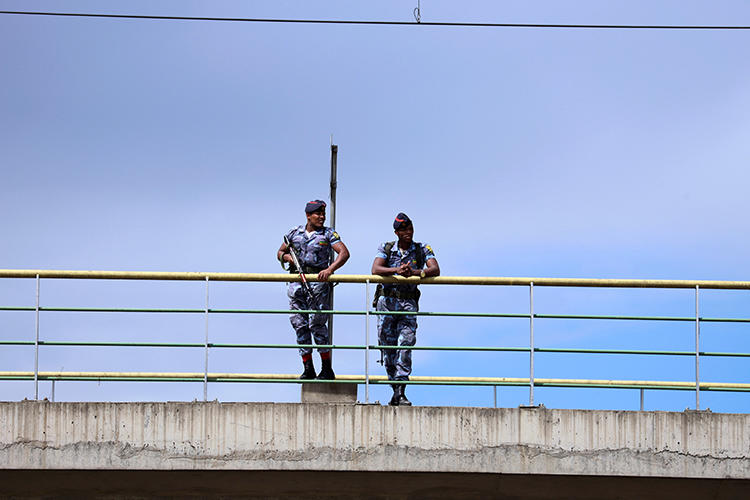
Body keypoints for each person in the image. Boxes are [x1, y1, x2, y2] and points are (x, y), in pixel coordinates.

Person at [371, 212, 439, 406]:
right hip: (387, 302)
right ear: (396, 232)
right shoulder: (387, 248)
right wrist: (397, 270)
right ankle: (395, 391)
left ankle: (401, 389)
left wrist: (416, 272)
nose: (407, 233)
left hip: (408, 302)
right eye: (403, 230)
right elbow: (375, 269)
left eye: (409, 229)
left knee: (406, 344)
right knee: (388, 348)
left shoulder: (421, 249)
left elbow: (435, 268)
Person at [277, 200, 350, 380]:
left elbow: (344, 253)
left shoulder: (327, 233)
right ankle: (307, 367)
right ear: (308, 215)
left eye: (323, 214)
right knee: (299, 324)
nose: (322, 217)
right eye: (318, 214)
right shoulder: (294, 233)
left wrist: (330, 269)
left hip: (317, 283)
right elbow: (279, 252)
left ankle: (326, 368)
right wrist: (287, 257)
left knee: (317, 324)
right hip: (296, 283)